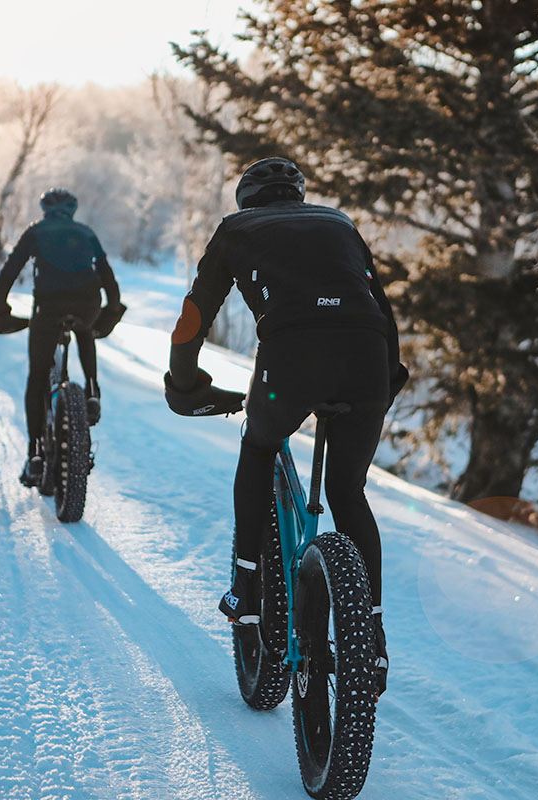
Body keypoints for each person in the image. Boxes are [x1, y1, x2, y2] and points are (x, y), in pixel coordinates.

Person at [163, 157, 407, 694]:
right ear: (298, 197)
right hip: (367, 353)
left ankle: (246, 589)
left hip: (291, 358)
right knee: (348, 492)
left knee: (259, 446)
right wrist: (387, 379)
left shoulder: (237, 228)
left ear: (248, 200)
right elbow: (380, 308)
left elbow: (194, 314)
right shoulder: (339, 223)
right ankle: (373, 634)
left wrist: (184, 383)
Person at [0, 187, 125, 488]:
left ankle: (36, 454)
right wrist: (111, 309)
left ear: (45, 209)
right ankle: (91, 391)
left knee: (38, 376)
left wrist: (0, 308)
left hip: (48, 308)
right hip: (87, 302)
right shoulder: (86, 232)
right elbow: (108, 278)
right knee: (85, 329)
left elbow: (9, 272)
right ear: (72, 210)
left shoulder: (35, 232)